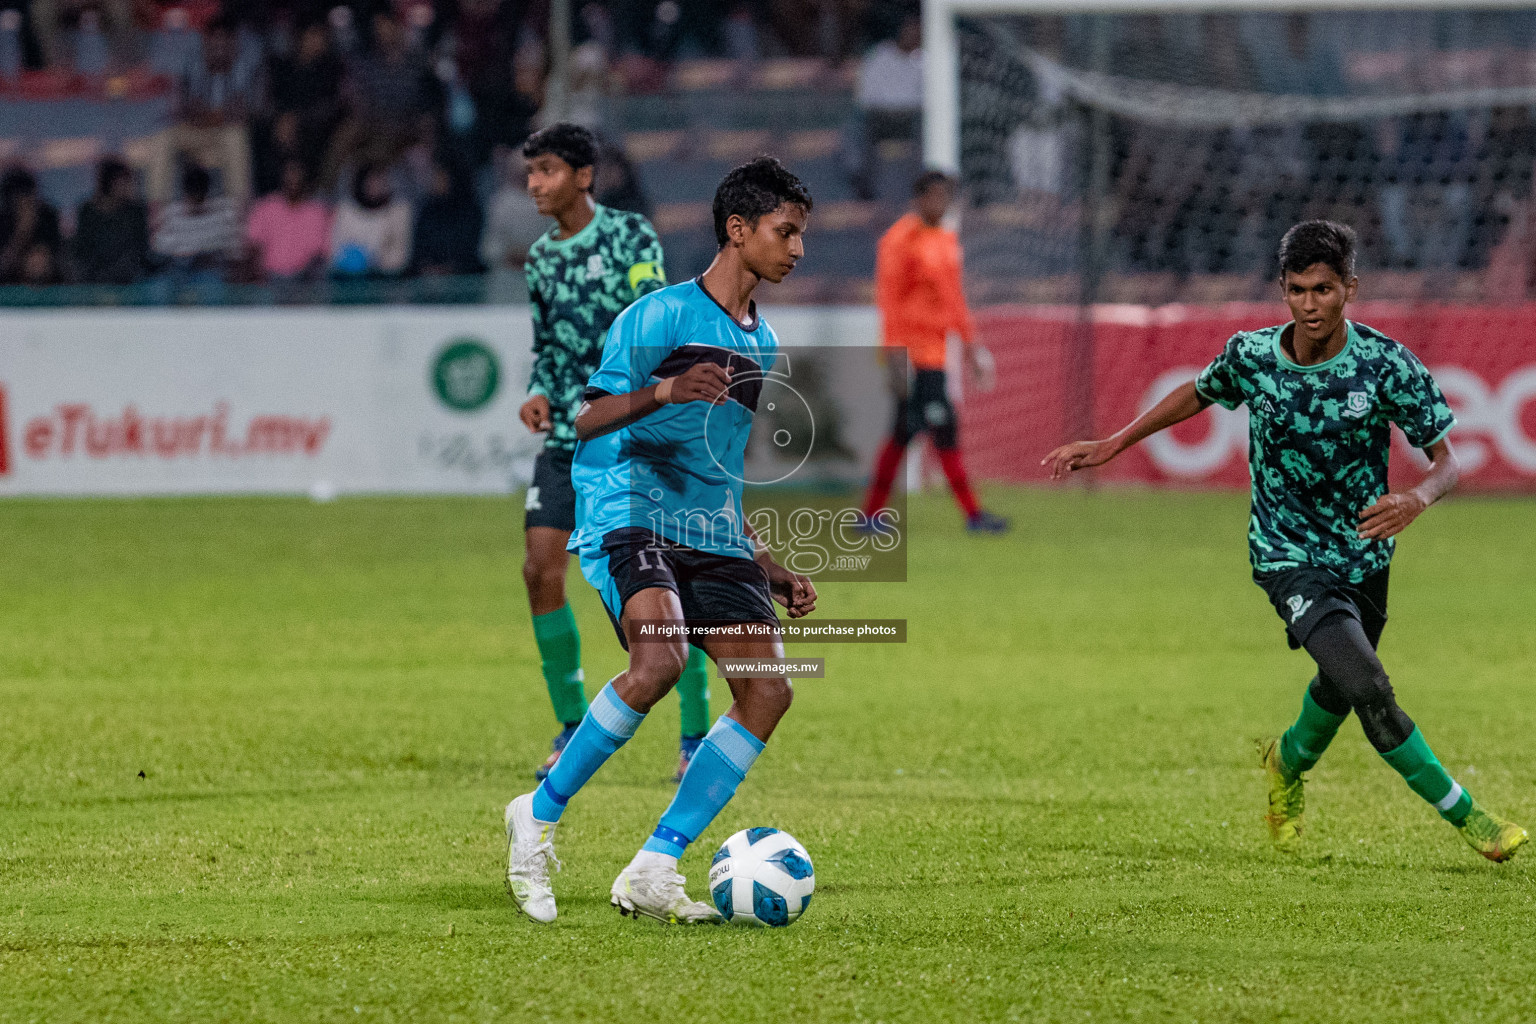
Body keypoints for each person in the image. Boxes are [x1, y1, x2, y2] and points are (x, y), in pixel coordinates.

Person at [1043, 220, 1528, 864]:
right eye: (1296, 290)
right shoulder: (1253, 357)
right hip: (1285, 554)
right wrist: (1114, 443)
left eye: (1323, 290)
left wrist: (1418, 498)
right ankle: (1472, 820)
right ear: (1282, 289)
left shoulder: (1386, 364)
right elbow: (1198, 391)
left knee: (1338, 683)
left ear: (1349, 289)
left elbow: (1448, 463)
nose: (1309, 305)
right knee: (1369, 685)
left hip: (1363, 552)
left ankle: (1285, 764)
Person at [504, 156, 818, 925]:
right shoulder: (661, 316)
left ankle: (655, 864)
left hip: (707, 527)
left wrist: (762, 558)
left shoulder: (762, 343)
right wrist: (666, 390)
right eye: (786, 232)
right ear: (737, 231)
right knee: (659, 659)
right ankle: (536, 819)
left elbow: (723, 462)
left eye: (801, 234)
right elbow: (585, 419)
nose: (798, 249)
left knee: (769, 689)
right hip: (627, 507)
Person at [514, 122, 712, 786]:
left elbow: (651, 323)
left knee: (667, 586)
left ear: (583, 176)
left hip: (629, 433)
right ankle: (571, 723)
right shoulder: (541, 258)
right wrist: (541, 390)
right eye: (530, 173)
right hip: (568, 437)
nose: (535, 184)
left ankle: (693, 736)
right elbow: (546, 343)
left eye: (546, 171)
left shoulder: (631, 237)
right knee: (541, 569)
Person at [861, 170, 1007, 534]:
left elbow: (954, 300)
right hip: (913, 357)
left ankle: (870, 515)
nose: (940, 205)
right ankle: (973, 515)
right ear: (919, 198)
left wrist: (971, 346)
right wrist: (894, 355)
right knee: (940, 429)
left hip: (937, 355)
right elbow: (889, 301)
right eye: (935, 197)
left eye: (946, 198)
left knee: (904, 432)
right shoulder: (899, 241)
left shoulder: (945, 240)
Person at [148, 14, 263, 207]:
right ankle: (157, 208)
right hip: (196, 134)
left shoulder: (245, 69)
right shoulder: (192, 65)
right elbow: (183, 108)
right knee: (163, 136)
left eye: (224, 41)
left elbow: (247, 112)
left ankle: (238, 208)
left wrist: (210, 115)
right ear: (206, 42)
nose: (218, 48)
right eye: (214, 41)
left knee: (235, 135)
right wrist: (213, 115)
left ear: (233, 44)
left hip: (226, 138)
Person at [151, 163, 242, 283]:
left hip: (211, 272)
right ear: (185, 193)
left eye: (199, 197)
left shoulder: (224, 212)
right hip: (176, 271)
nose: (195, 202)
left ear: (206, 193)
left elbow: (234, 250)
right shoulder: (171, 214)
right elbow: (158, 247)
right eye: (192, 196)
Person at [245, 159, 331, 281]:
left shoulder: (316, 212)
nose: (293, 180)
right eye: (289, 174)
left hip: (304, 281)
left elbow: (320, 253)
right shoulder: (265, 206)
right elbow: (253, 245)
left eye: (297, 175)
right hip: (269, 279)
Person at [73, 157, 150, 284]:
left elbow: (141, 249)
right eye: (124, 181)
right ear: (109, 183)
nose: (129, 185)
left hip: (129, 280)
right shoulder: (87, 212)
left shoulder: (136, 212)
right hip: (93, 280)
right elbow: (82, 251)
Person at [329, 162, 411, 277]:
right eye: (370, 181)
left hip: (386, 280)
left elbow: (399, 257)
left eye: (379, 181)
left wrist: (376, 265)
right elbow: (335, 253)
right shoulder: (346, 211)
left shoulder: (398, 212)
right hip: (348, 280)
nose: (375, 186)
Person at [0, 166, 62, 285]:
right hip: (9, 290)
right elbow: (3, 268)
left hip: (49, 290)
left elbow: (57, 261)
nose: (26, 205)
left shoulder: (48, 216)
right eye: (19, 200)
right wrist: (21, 234)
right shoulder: (3, 221)